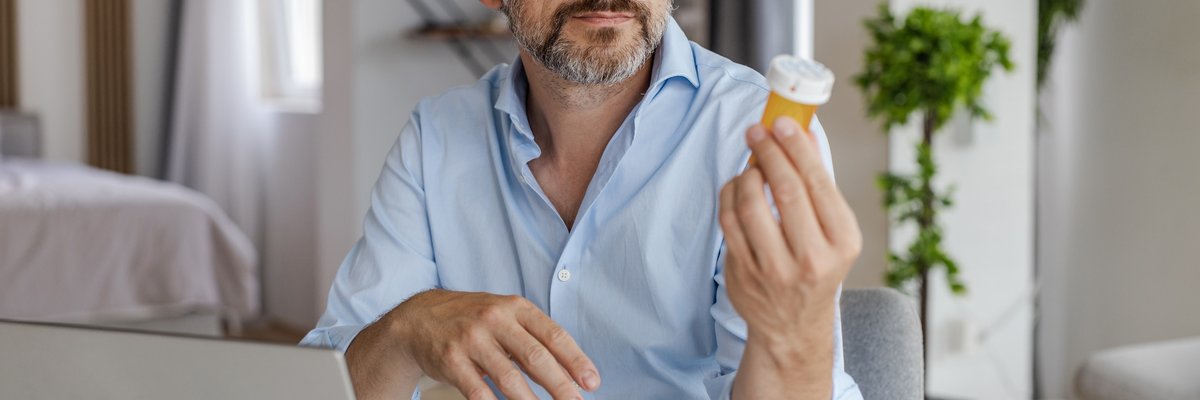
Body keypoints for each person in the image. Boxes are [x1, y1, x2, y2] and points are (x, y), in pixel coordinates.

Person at [301, 0, 864, 399]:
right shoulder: (436, 137)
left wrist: (797, 334)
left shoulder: (754, 138)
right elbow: (321, 388)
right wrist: (404, 330)